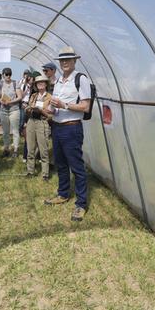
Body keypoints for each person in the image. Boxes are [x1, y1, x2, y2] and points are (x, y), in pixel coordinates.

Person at [44, 47, 92, 222]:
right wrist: (51, 109)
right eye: (62, 60)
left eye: (68, 59)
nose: (64, 62)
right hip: (57, 128)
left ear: (74, 61)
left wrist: (64, 105)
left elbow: (85, 106)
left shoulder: (81, 79)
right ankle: (63, 194)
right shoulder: (58, 82)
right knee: (61, 164)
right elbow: (56, 106)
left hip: (72, 129)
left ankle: (81, 204)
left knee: (77, 167)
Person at [25, 75, 53, 180]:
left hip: (42, 122)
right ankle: (30, 171)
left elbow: (51, 115)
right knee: (30, 148)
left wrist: (41, 111)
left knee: (43, 149)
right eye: (38, 83)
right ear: (36, 85)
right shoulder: (33, 96)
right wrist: (28, 109)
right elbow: (27, 108)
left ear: (46, 84)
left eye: (42, 82)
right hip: (31, 121)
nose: (40, 84)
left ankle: (45, 173)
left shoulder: (50, 97)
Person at [0, 67, 22, 157]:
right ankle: (6, 148)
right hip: (3, 110)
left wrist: (10, 102)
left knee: (15, 130)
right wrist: (1, 101)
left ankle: (15, 149)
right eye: (6, 74)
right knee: (5, 131)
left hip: (14, 110)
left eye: (10, 74)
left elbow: (19, 97)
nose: (8, 76)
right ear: (3, 75)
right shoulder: (0, 84)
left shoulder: (15, 83)